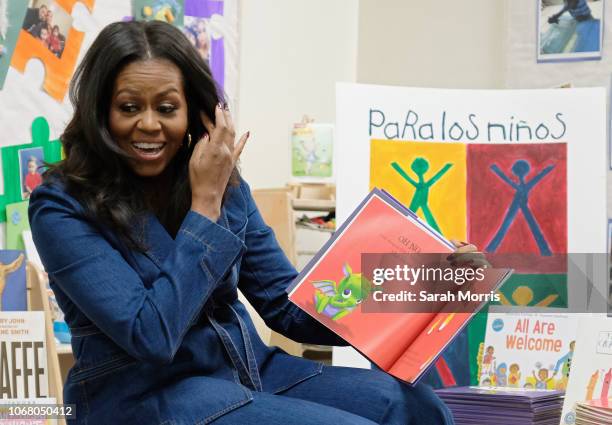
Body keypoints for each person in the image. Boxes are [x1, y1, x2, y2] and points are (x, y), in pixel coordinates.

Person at [29, 20, 482, 424]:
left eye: (167, 108)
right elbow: (151, 336)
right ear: (100, 113)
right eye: (129, 107)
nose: (149, 124)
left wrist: (420, 286)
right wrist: (205, 206)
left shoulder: (224, 185)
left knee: (418, 407)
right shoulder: (62, 205)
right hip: (143, 398)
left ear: (197, 114)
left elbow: (287, 306)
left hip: (248, 372)